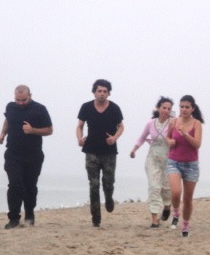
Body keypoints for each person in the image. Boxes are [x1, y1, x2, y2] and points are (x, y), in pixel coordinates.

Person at [0, 85, 53, 229]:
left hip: (33, 155)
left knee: (30, 187)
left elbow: (49, 130)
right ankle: (14, 218)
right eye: (18, 100)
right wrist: (2, 134)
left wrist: (32, 130)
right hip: (13, 154)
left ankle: (29, 214)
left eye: (24, 100)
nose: (20, 103)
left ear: (30, 96)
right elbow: (8, 120)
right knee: (15, 185)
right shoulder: (10, 107)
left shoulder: (40, 109)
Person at [76, 79, 124, 227]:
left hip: (109, 152)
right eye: (99, 91)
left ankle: (109, 198)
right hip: (91, 151)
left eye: (105, 91)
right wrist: (79, 139)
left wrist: (114, 138)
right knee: (94, 184)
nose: (102, 93)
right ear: (94, 92)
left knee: (108, 183)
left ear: (108, 93)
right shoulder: (86, 107)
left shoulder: (114, 108)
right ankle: (96, 217)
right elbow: (79, 126)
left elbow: (121, 126)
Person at [130, 97, 174, 228]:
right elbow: (142, 138)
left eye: (169, 109)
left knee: (167, 188)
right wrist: (134, 150)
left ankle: (167, 206)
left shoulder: (173, 123)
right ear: (158, 108)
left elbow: (179, 137)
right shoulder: (151, 123)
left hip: (169, 158)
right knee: (154, 187)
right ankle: (154, 219)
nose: (166, 111)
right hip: (153, 158)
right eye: (164, 108)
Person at [166, 95, 203, 237]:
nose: (184, 109)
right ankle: (176, 212)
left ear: (192, 108)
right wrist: (169, 141)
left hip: (191, 165)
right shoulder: (173, 122)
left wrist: (185, 134)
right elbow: (168, 137)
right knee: (176, 192)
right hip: (174, 162)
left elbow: (197, 144)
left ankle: (185, 225)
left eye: (187, 107)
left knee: (187, 199)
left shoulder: (196, 124)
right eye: (181, 106)